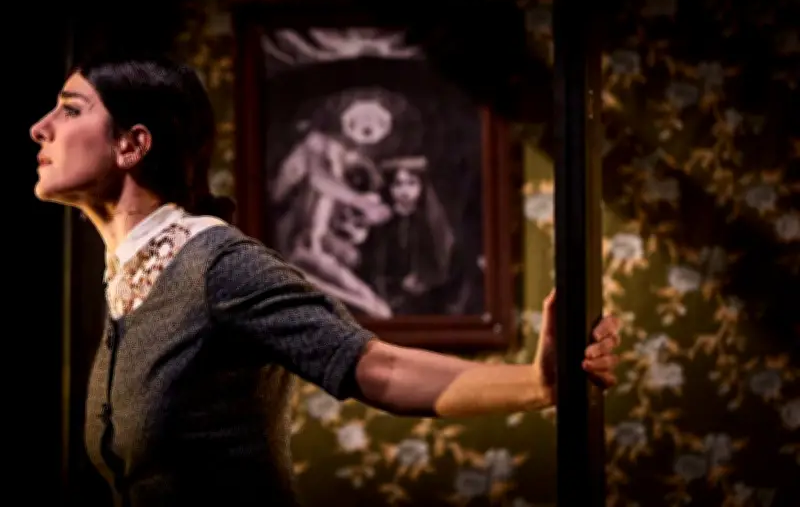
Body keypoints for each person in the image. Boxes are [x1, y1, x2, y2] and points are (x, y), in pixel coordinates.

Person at [31, 53, 621, 507]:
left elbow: (376, 368)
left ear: (133, 145)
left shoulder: (219, 265)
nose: (40, 127)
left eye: (71, 109)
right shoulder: (128, 279)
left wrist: (538, 385)